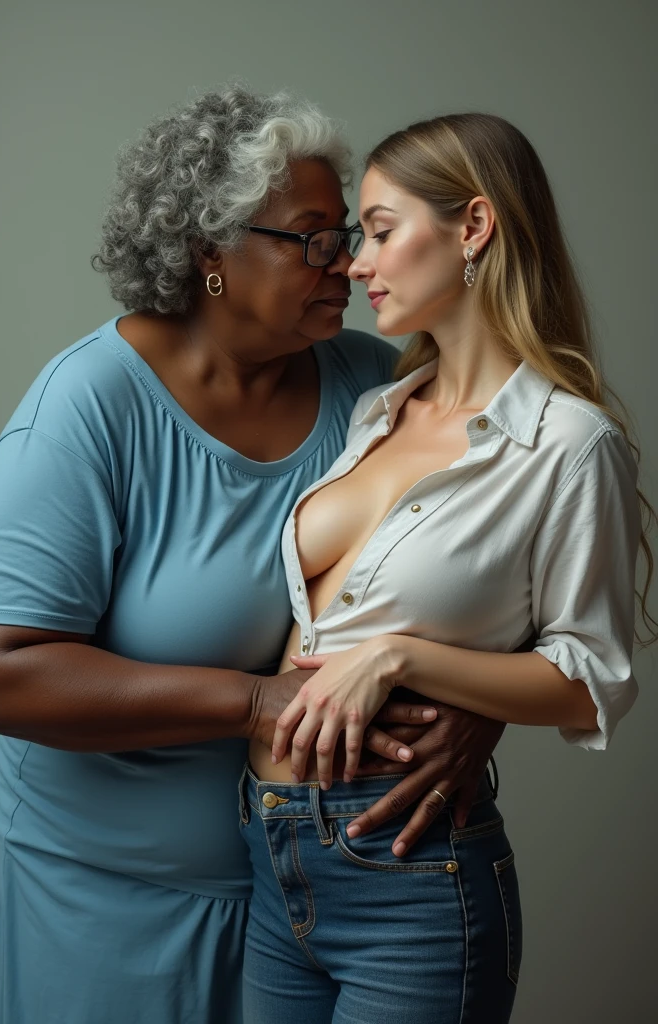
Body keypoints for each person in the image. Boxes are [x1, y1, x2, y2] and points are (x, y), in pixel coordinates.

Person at [0, 90, 504, 1024]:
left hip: (324, 901)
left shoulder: (379, 393)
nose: (348, 260)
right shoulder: (88, 409)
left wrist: (479, 710)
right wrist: (256, 700)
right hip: (108, 905)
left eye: (346, 232)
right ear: (208, 252)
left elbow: (494, 579)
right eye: (311, 237)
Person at [242, 113, 655, 1024]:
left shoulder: (570, 446)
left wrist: (401, 658)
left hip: (407, 873)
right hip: (270, 854)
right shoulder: (376, 409)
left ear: (472, 228)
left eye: (382, 233)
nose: (355, 263)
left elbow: (591, 683)